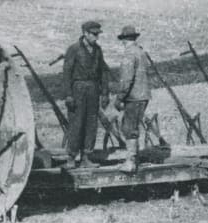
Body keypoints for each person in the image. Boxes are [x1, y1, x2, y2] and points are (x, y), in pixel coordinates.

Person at [61, 20, 110, 168]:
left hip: (93, 90)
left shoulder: (98, 50)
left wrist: (105, 93)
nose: (97, 37)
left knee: (91, 124)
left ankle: (86, 157)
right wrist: (68, 95)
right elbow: (66, 73)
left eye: (98, 34)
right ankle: (71, 158)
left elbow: (103, 72)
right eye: (94, 34)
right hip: (78, 90)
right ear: (85, 33)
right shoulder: (73, 49)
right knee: (76, 123)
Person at [114, 25, 151, 173]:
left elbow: (126, 79)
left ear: (124, 39)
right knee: (132, 127)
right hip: (142, 95)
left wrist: (119, 97)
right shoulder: (140, 51)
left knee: (129, 128)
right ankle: (133, 159)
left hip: (134, 97)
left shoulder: (129, 53)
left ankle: (131, 162)